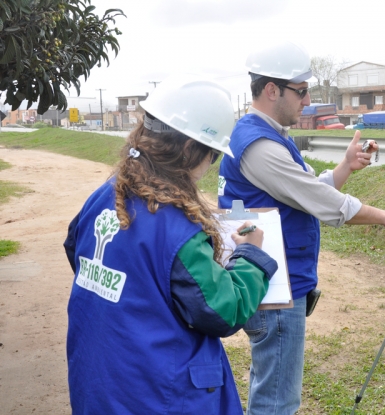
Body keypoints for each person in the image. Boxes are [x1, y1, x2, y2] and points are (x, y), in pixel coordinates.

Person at [218, 41, 385, 415]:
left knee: (269, 389)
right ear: (271, 90)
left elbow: (304, 193)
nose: (308, 99)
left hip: (269, 282)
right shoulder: (259, 146)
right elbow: (317, 198)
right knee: (276, 402)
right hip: (275, 290)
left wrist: (345, 166)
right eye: (301, 91)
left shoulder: (265, 135)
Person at [63, 75, 278, 415]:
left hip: (102, 384)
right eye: (212, 156)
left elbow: (76, 248)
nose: (210, 166)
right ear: (192, 150)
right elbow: (222, 312)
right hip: (156, 394)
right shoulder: (177, 228)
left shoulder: (107, 194)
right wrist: (250, 253)